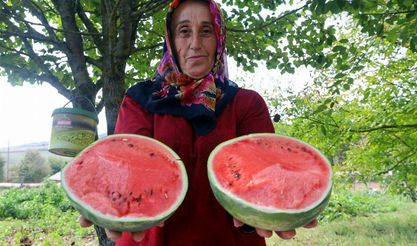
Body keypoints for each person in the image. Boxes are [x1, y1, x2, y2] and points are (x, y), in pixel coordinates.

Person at [79, 0, 317, 245]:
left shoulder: (246, 104)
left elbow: (264, 177)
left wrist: (280, 206)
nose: (195, 44)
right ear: (170, 40)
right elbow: (125, 168)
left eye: (206, 31)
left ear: (219, 39)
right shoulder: (140, 100)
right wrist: (99, 191)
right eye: (184, 31)